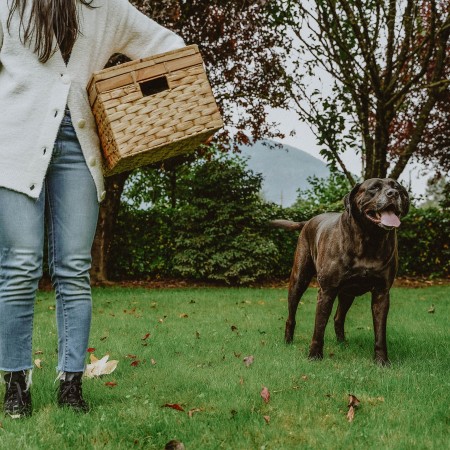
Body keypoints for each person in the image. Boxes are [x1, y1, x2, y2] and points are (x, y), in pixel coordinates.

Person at [0, 0, 185, 418]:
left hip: (78, 149)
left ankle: (70, 382)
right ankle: (15, 381)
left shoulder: (108, 7)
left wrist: (133, 92)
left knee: (73, 267)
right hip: (12, 146)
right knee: (21, 264)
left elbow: (169, 47)